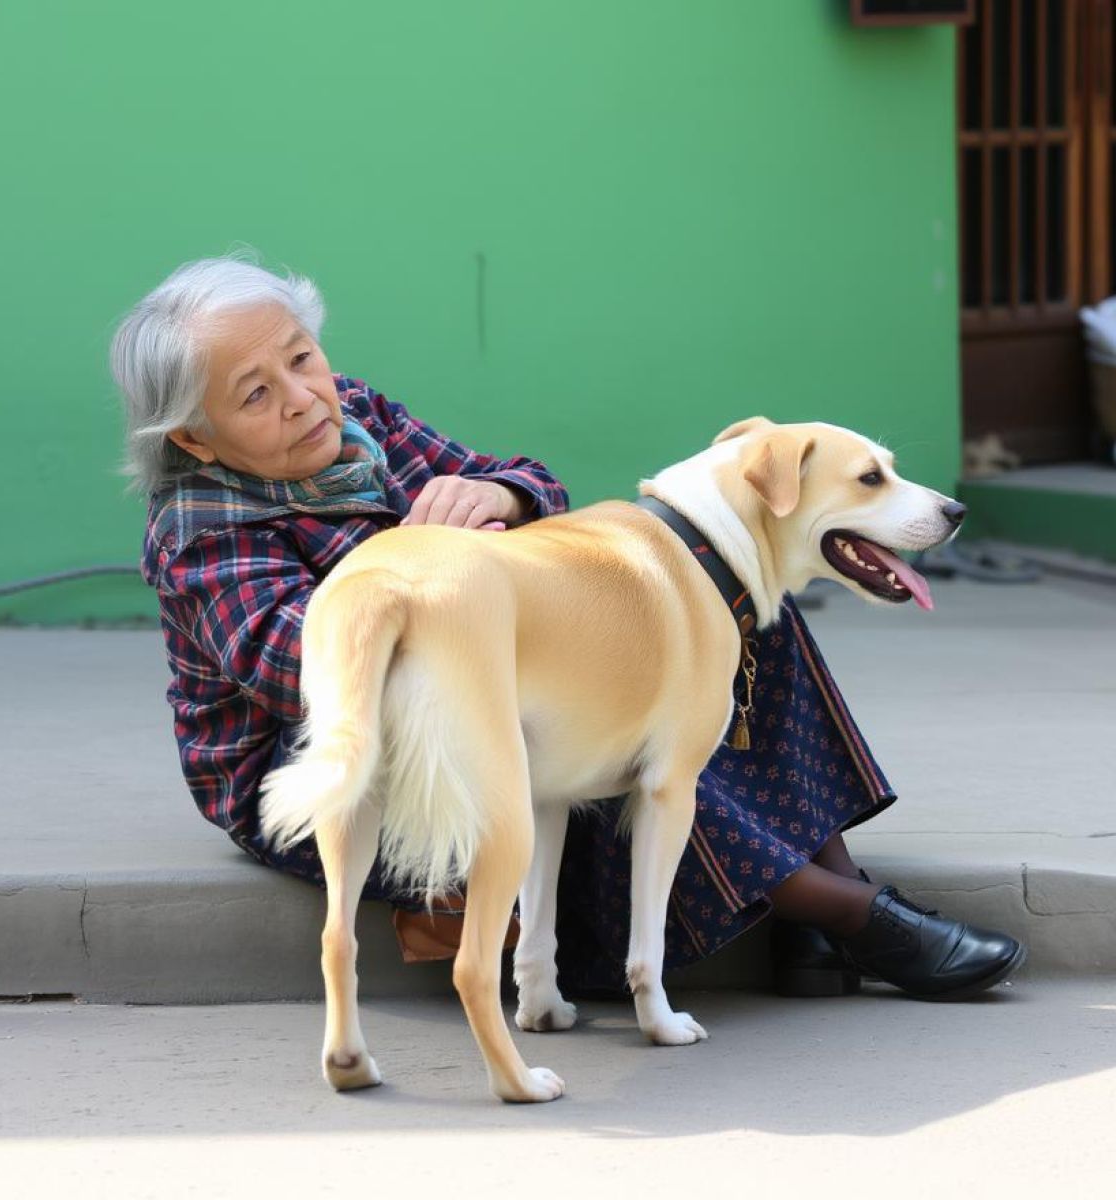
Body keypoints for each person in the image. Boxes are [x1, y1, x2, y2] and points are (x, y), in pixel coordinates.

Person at [113, 255, 1026, 1002]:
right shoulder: (200, 531)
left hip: (486, 667)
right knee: (580, 744)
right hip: (321, 760)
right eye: (255, 394)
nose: (304, 399)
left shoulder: (358, 421)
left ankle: (824, 896)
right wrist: (427, 569)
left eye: (300, 358)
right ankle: (850, 916)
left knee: (730, 600)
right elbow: (319, 678)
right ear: (195, 438)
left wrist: (498, 493)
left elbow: (532, 485)